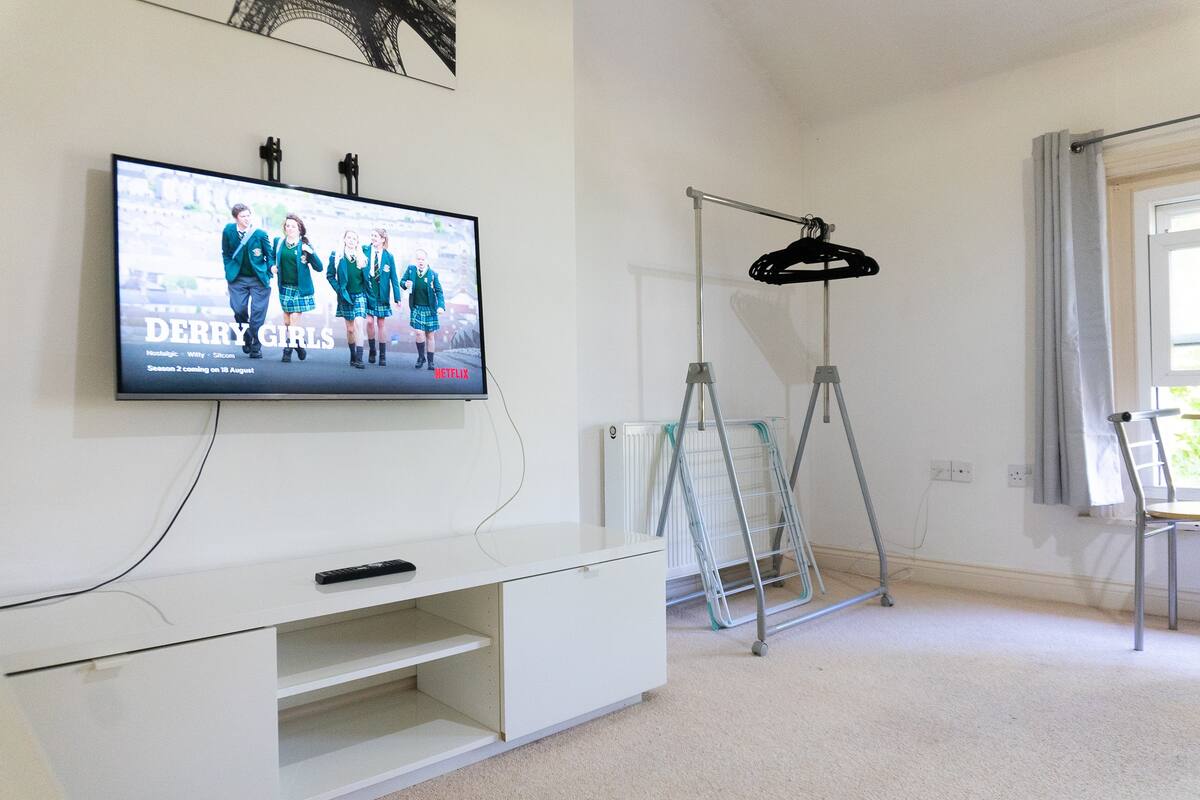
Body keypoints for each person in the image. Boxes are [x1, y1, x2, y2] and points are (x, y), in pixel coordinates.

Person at [220, 203, 274, 358]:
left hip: (258, 279)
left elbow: (269, 255)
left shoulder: (260, 234)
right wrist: (228, 268)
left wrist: (270, 269)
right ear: (236, 218)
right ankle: (246, 337)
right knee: (239, 310)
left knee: (258, 314)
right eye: (243, 216)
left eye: (248, 215)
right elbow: (226, 252)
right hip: (237, 279)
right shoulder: (228, 231)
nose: (246, 219)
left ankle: (256, 347)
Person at [271, 214, 323, 363]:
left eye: (293, 226)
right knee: (287, 323)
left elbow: (319, 267)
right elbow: (272, 257)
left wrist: (311, 252)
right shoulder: (279, 242)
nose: (290, 228)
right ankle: (298, 344)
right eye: (287, 225)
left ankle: (287, 350)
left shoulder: (304, 246)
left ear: (299, 229)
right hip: (285, 287)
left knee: (294, 318)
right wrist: (272, 266)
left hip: (300, 289)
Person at [399, 249, 445, 370]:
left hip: (430, 309)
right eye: (418, 259)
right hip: (416, 307)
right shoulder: (411, 270)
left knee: (430, 335)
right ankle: (421, 357)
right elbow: (401, 282)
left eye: (422, 259)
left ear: (427, 260)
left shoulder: (433, 275)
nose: (420, 261)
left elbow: (439, 292)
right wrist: (405, 284)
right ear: (415, 260)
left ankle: (431, 362)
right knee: (419, 332)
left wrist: (441, 306)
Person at [362, 228, 401, 366]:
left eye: (376, 236)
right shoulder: (364, 250)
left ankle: (383, 355)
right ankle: (372, 350)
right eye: (372, 235)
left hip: (382, 293)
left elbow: (394, 278)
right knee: (369, 321)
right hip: (368, 291)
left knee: (381, 323)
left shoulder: (389, 256)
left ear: (383, 239)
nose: (373, 238)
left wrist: (397, 298)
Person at [334, 230, 369, 369]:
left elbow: (367, 278)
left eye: (354, 238)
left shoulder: (362, 258)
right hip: (345, 296)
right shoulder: (337, 256)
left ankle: (360, 358)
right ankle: (353, 355)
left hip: (360, 295)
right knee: (350, 329)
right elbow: (330, 275)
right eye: (349, 238)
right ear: (344, 239)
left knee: (359, 324)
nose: (351, 240)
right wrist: (339, 289)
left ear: (357, 242)